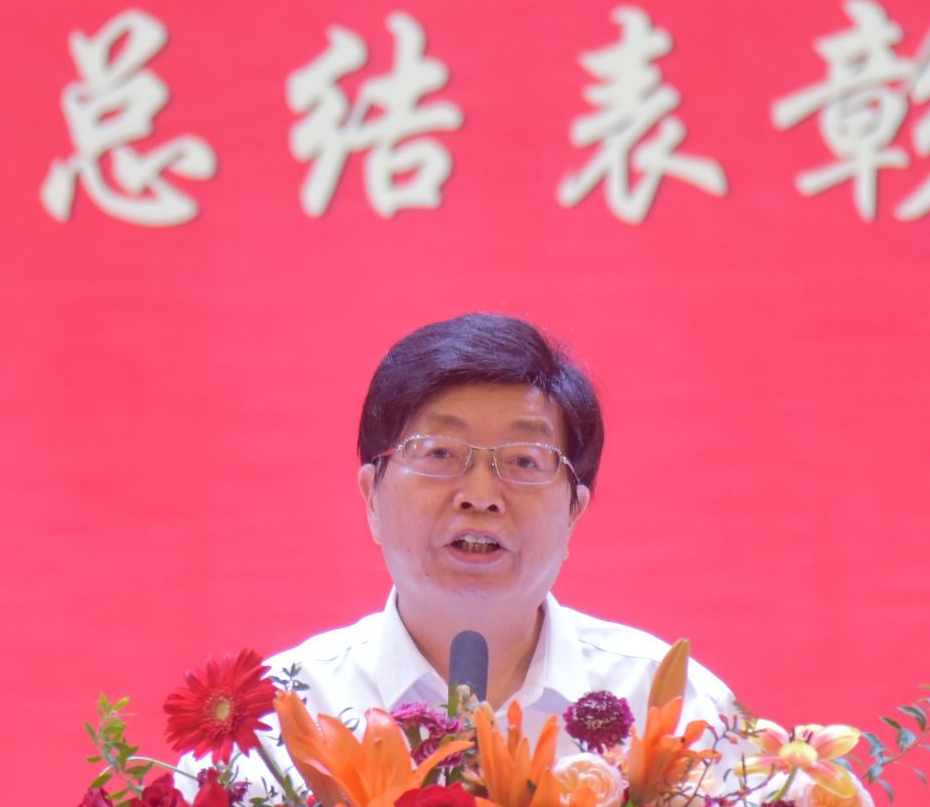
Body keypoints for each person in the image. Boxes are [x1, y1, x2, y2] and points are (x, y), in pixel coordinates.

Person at [264, 311, 739, 746]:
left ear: (573, 513)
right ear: (372, 497)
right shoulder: (283, 717)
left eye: (524, 461)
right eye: (440, 453)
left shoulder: (673, 710)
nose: (481, 494)